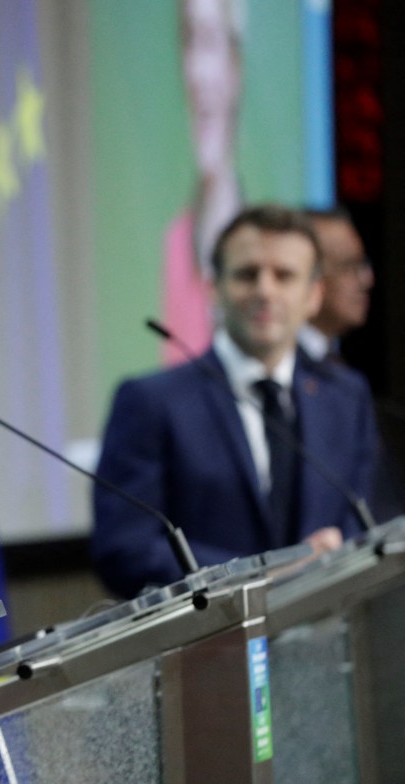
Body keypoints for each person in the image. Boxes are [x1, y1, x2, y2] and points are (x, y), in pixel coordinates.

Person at [94, 204, 378, 598]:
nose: (265, 290)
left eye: (284, 275)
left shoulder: (346, 398)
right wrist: (261, 576)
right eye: (247, 274)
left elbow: (363, 523)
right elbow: (125, 550)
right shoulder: (150, 402)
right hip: (208, 646)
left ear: (314, 295)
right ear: (214, 288)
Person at [161, 0, 245, 365]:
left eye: (210, 41)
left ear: (235, 66)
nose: (198, 73)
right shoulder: (177, 241)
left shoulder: (272, 241)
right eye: (190, 42)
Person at [299, 207, 374, 362]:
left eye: (362, 264)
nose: (367, 280)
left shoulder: (347, 379)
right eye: (348, 265)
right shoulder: (275, 372)